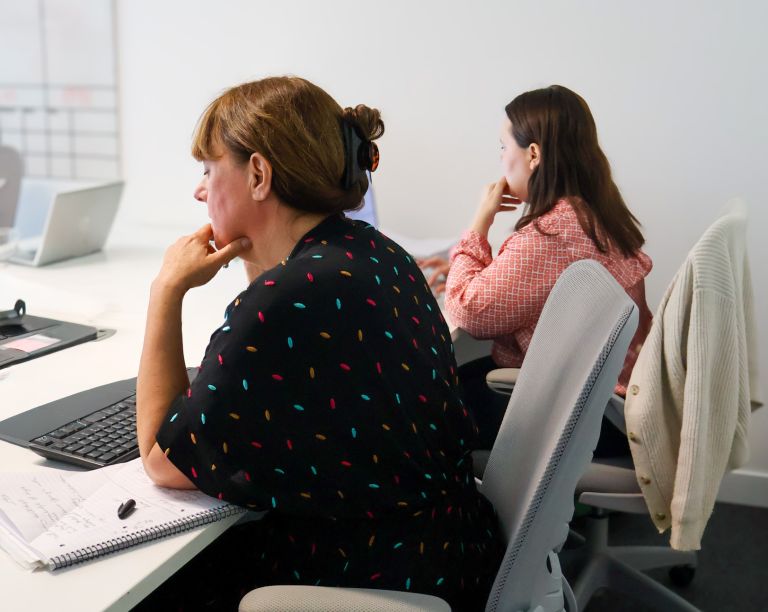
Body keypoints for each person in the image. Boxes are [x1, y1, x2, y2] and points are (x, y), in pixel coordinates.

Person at [134, 76, 501, 611]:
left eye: (209, 170)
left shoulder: (289, 297)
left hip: (375, 573)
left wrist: (166, 290)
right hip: (450, 551)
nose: (199, 190)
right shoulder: (377, 253)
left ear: (259, 174)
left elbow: (161, 460)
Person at [428, 85, 653, 452]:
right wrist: (474, 262)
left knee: (421, 406)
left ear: (533, 154)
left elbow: (467, 311)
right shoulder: (590, 211)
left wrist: (478, 224)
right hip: (610, 402)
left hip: (580, 416)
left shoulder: (552, 234)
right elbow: (525, 283)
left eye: (503, 147)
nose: (501, 160)